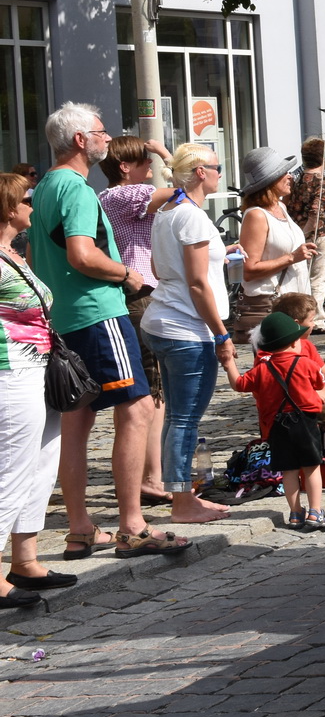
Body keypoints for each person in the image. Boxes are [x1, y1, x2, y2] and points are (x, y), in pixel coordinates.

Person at [30, 103, 187, 560]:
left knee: (77, 423)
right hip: (97, 314)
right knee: (137, 409)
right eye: (100, 132)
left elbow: (44, 261)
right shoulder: (77, 189)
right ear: (80, 140)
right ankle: (132, 524)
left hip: (65, 316)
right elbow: (82, 254)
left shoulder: (44, 188)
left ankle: (80, 528)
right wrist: (125, 275)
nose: (106, 138)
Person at [139, 144, 233, 523]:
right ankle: (182, 501)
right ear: (199, 173)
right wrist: (222, 335)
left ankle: (178, 491)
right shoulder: (191, 217)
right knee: (185, 418)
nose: (219, 174)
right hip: (186, 329)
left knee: (178, 415)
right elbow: (196, 284)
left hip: (163, 322)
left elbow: (161, 270)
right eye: (217, 167)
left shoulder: (166, 212)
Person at [0, 172, 77, 606]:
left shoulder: (13, 253)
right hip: (8, 375)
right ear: (10, 208)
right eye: (26, 199)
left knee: (42, 464)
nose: (32, 205)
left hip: (38, 374)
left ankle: (25, 560)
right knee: (9, 471)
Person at [96, 134, 175, 504]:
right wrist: (163, 153)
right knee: (151, 390)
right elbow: (185, 189)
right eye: (143, 162)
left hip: (138, 293)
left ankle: (150, 474)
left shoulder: (108, 198)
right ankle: (151, 477)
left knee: (144, 389)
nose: (149, 169)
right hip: (139, 295)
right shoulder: (122, 195)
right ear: (124, 167)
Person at [218, 310, 325, 531]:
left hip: (276, 426)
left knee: (288, 471)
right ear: (292, 343)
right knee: (311, 467)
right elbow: (320, 382)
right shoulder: (305, 363)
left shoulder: (262, 368)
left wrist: (228, 364)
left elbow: (239, 385)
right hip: (305, 422)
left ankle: (295, 513)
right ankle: (316, 512)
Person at [234, 147, 316, 350]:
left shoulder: (282, 208)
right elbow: (249, 269)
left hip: (294, 307)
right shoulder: (256, 215)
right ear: (270, 181)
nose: (290, 177)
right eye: (284, 173)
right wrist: (291, 257)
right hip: (274, 310)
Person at [271, 290, 325, 483]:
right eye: (311, 320)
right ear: (297, 324)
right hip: (296, 404)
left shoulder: (307, 346)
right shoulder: (274, 349)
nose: (314, 324)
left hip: (317, 396)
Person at [284, 138, 325, 332]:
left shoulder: (297, 178)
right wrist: (307, 230)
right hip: (321, 232)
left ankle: (300, 316)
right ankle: (316, 319)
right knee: (319, 277)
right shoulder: (323, 180)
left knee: (302, 277)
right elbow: (316, 211)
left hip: (299, 230)